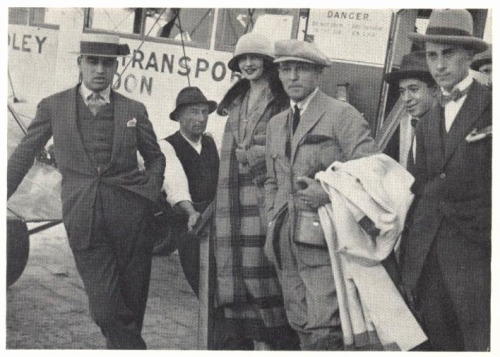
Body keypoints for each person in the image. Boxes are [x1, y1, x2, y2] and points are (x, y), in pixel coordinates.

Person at [7, 34, 166, 349]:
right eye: (92, 61)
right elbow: (24, 155)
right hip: (83, 218)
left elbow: (156, 158)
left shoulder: (134, 108)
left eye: (107, 63)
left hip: (132, 220)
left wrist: (147, 191)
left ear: (116, 67)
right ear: (79, 63)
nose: (100, 69)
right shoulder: (54, 106)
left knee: (132, 308)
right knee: (106, 309)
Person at [264, 39, 379, 350]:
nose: (292, 77)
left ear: (318, 74)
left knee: (325, 326)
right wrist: (271, 217)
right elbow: (270, 180)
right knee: (299, 321)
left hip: (324, 241)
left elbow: (370, 172)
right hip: (285, 241)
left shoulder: (342, 115)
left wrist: (327, 192)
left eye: (300, 70)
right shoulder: (276, 124)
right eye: (285, 69)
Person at [401, 9, 491, 351]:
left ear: (469, 55)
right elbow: (420, 189)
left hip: (476, 259)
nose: (438, 65)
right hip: (428, 261)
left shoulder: (491, 105)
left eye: (448, 54)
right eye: (432, 55)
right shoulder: (428, 119)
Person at [213, 32, 296, 350]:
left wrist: (252, 156)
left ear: (268, 62)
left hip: (266, 198)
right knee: (237, 274)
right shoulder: (235, 102)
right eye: (242, 59)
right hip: (233, 198)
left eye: (255, 58)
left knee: (265, 269)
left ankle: (280, 341)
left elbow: (286, 152)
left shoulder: (282, 100)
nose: (248, 64)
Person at [158, 86, 220, 297]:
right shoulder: (167, 146)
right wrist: (191, 213)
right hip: (188, 227)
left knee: (222, 287)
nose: (201, 118)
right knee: (202, 287)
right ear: (179, 117)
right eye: (194, 112)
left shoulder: (211, 142)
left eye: (204, 112)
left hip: (215, 222)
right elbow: (176, 186)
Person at [382, 51, 439, 170]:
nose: (406, 99)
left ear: (434, 89)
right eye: (402, 91)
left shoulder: (448, 127)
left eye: (413, 89)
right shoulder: (403, 124)